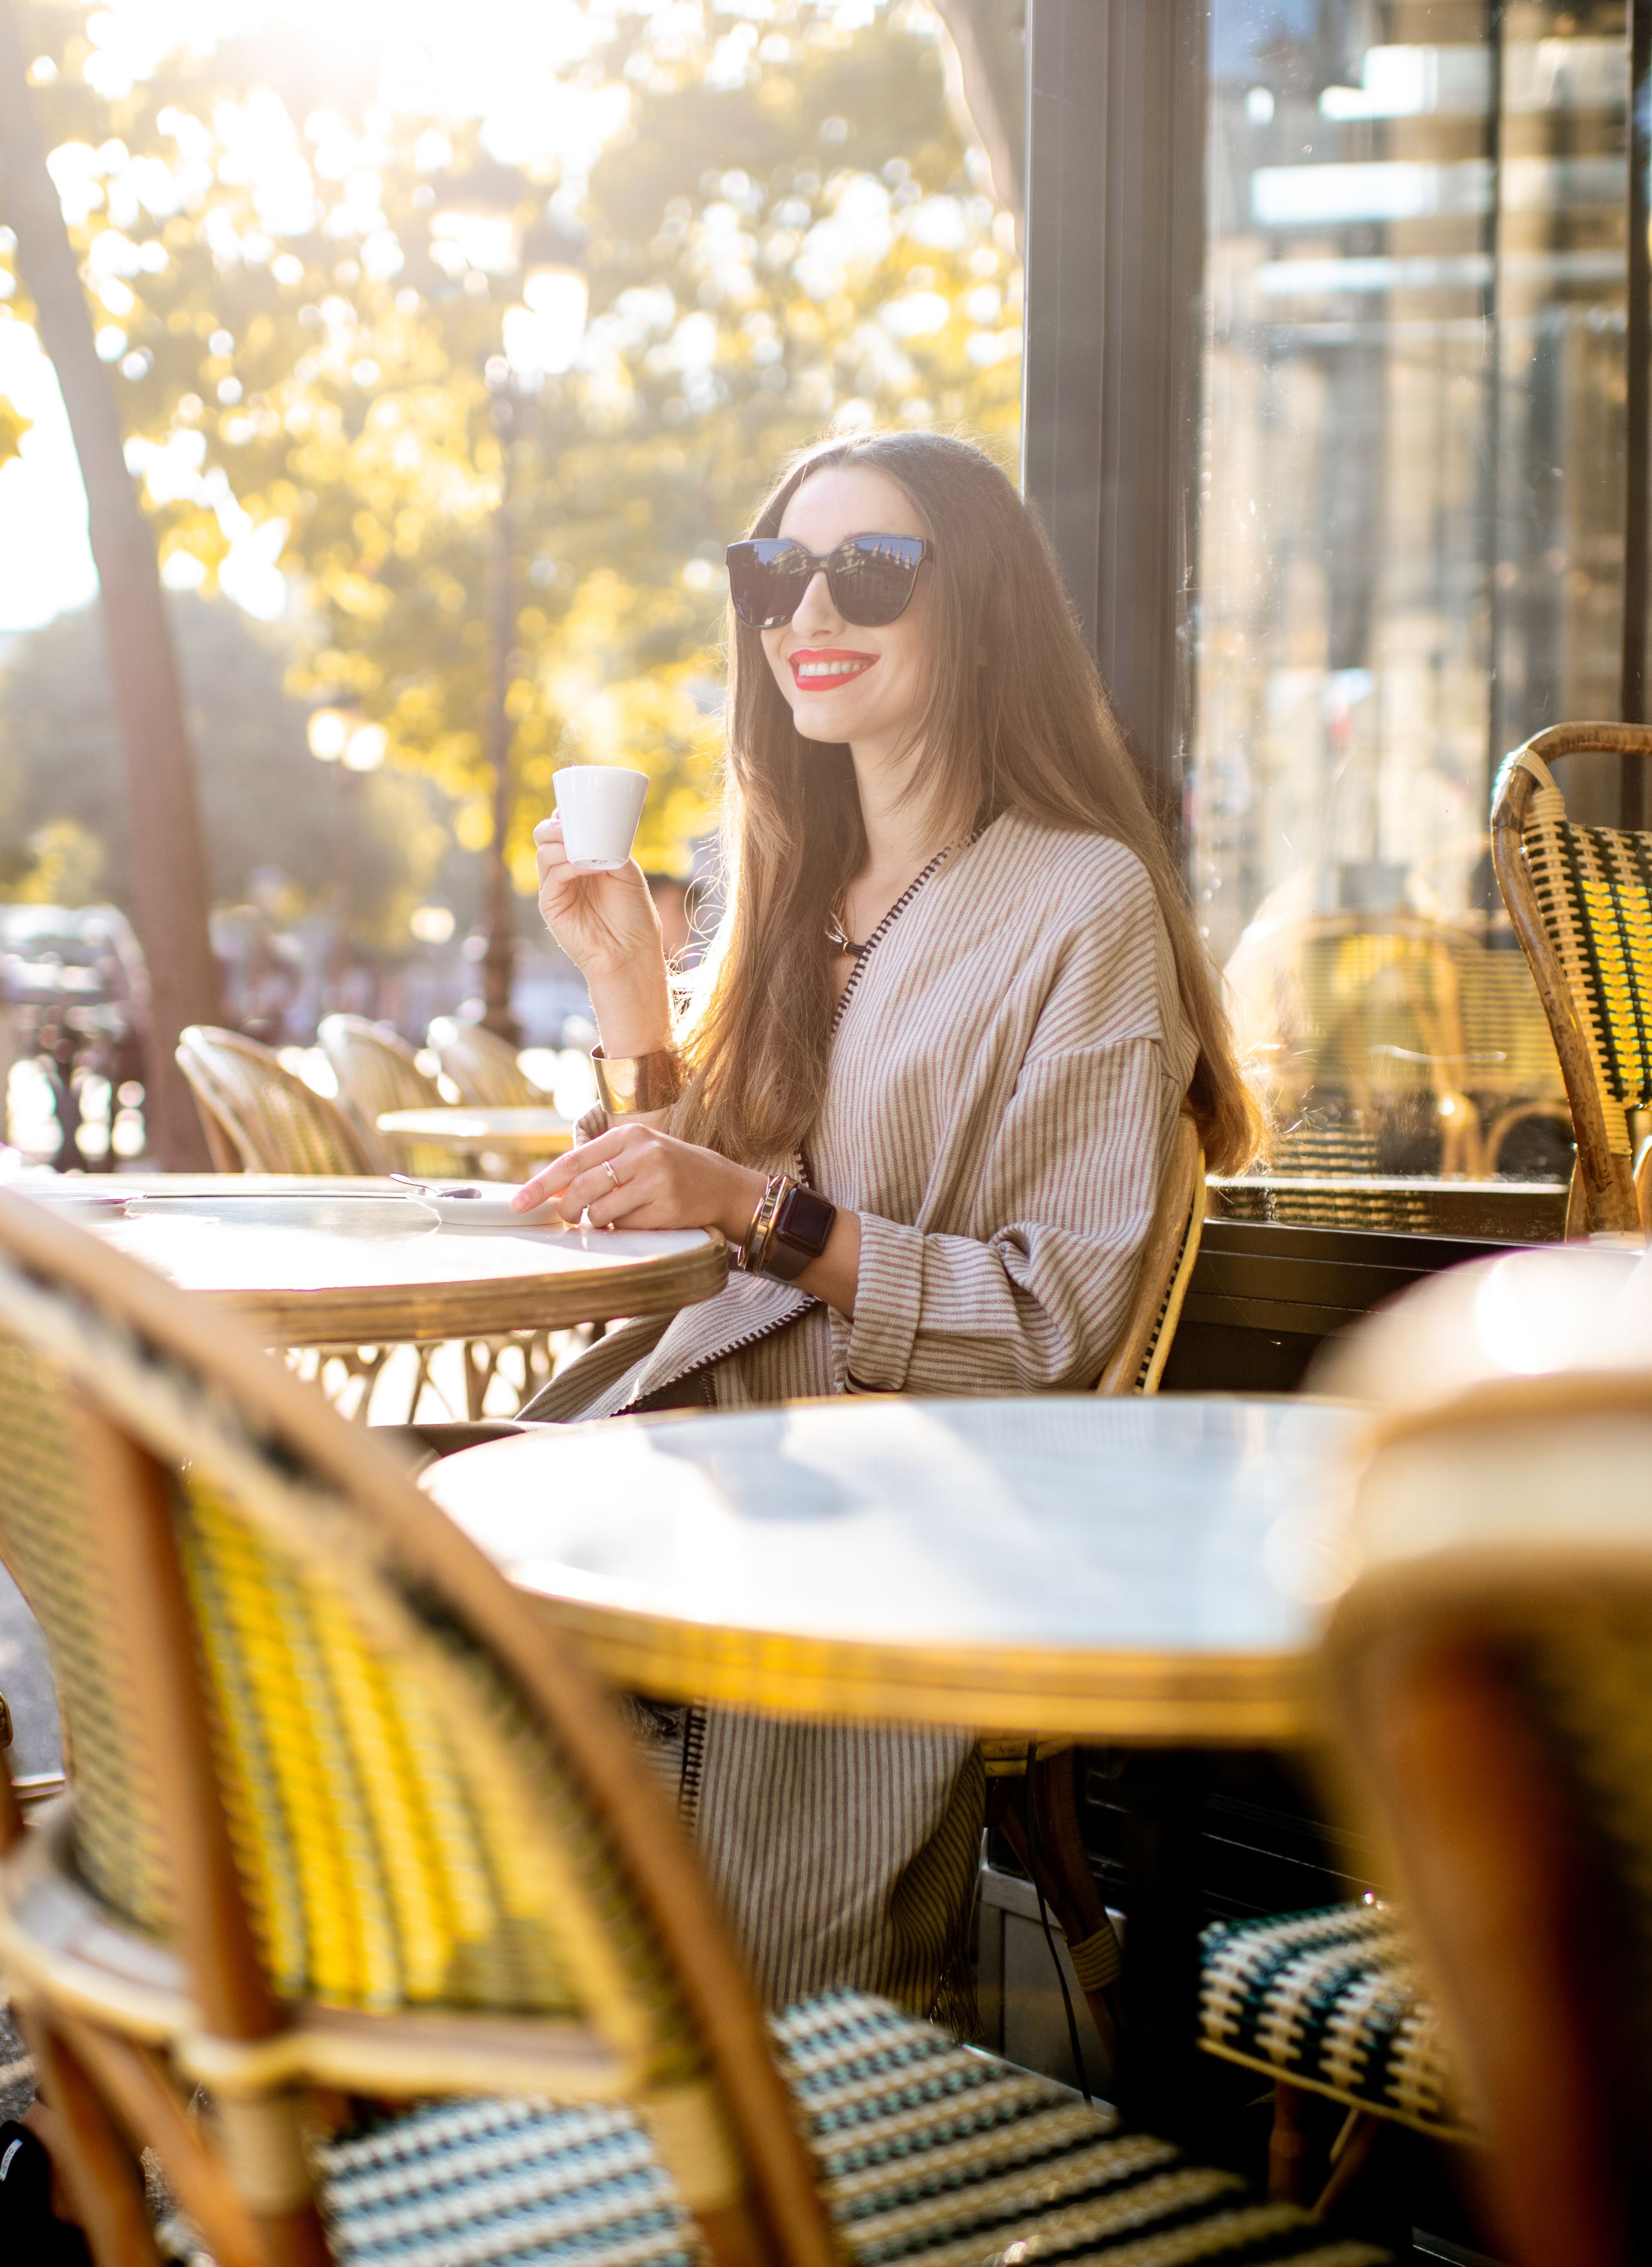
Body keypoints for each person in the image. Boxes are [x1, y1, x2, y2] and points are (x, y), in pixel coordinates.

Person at [503, 428, 1258, 2020]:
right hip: (683, 1436)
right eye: (778, 573)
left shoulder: (1082, 903)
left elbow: (1061, 1323)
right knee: (284, 1565)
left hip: (896, 1485)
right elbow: (679, 1212)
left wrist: (767, 1217)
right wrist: (630, 996)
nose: (807, 611)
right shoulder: (788, 883)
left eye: (870, 570)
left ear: (976, 607)